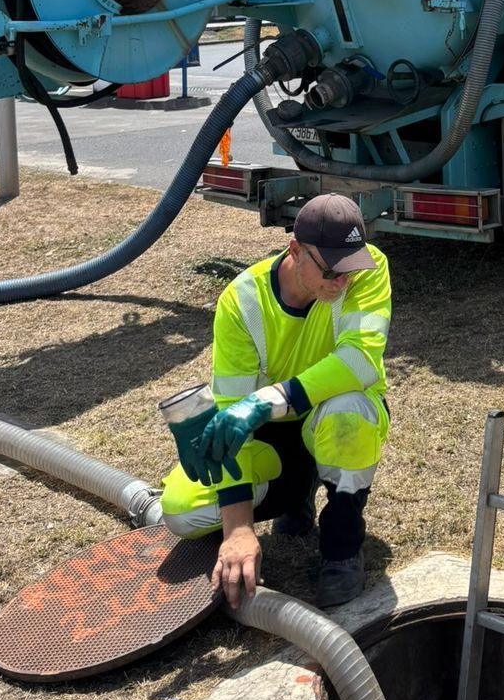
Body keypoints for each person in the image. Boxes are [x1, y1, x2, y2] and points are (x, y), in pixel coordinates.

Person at [161, 193, 390, 610]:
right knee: (180, 511)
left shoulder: (369, 269)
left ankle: (341, 547)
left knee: (350, 412)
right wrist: (237, 530)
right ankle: (295, 492)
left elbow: (360, 361)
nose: (342, 282)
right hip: (269, 438)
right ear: (295, 250)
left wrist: (268, 400)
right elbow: (233, 416)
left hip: (325, 418)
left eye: (350, 268)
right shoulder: (242, 301)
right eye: (330, 270)